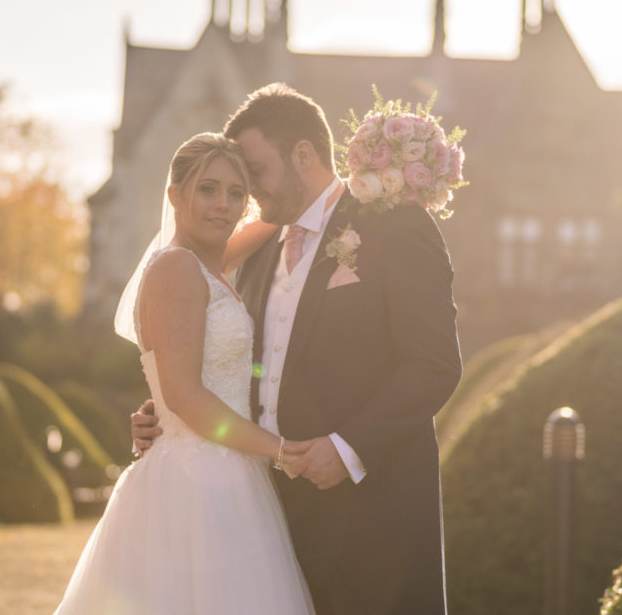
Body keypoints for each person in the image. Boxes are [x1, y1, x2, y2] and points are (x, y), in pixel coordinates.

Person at [132, 84, 463, 614]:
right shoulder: (258, 252)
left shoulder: (394, 225)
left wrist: (347, 447)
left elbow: (434, 365)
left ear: (302, 155)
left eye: (254, 174)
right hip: (266, 522)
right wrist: (167, 413)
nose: (246, 193)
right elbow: (219, 360)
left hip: (373, 526)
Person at [55, 132, 314, 614]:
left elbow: (277, 213)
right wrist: (279, 450)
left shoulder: (208, 265)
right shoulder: (176, 268)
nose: (224, 205)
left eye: (237, 193)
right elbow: (185, 396)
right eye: (208, 189)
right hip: (196, 484)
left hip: (229, 473)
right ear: (174, 196)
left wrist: (359, 178)